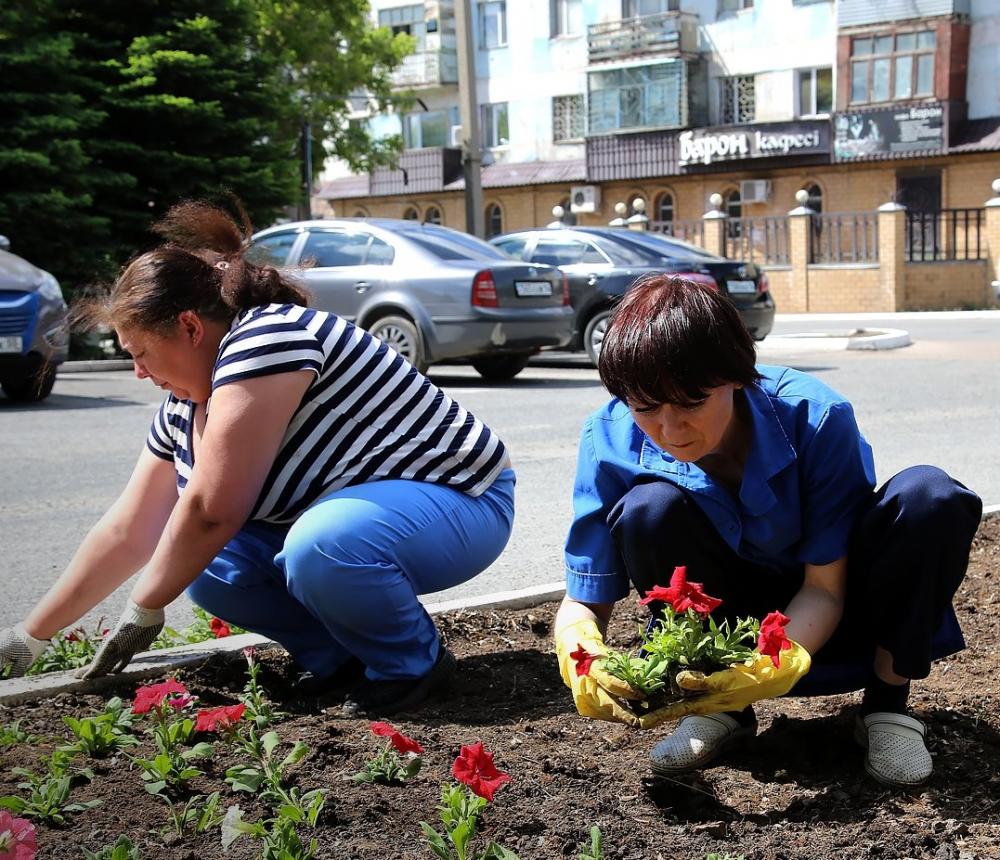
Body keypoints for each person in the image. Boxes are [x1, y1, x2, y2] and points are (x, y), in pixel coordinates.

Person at [0, 200, 515, 717]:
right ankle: (342, 662)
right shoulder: (184, 406)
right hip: (370, 521)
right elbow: (129, 531)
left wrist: (144, 607)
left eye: (140, 353)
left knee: (321, 546)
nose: (138, 372)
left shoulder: (268, 337)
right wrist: (29, 636)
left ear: (190, 327)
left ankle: (411, 665)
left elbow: (211, 511)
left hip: (463, 501)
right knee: (210, 567)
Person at [553, 275, 981, 787]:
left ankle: (887, 706)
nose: (669, 428)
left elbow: (825, 589)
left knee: (930, 498)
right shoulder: (607, 437)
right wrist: (580, 654)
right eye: (644, 406)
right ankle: (719, 707)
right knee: (650, 508)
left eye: (691, 402)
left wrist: (765, 667)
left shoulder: (814, 417)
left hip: (842, 619)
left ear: (736, 375)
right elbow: (585, 598)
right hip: (727, 631)